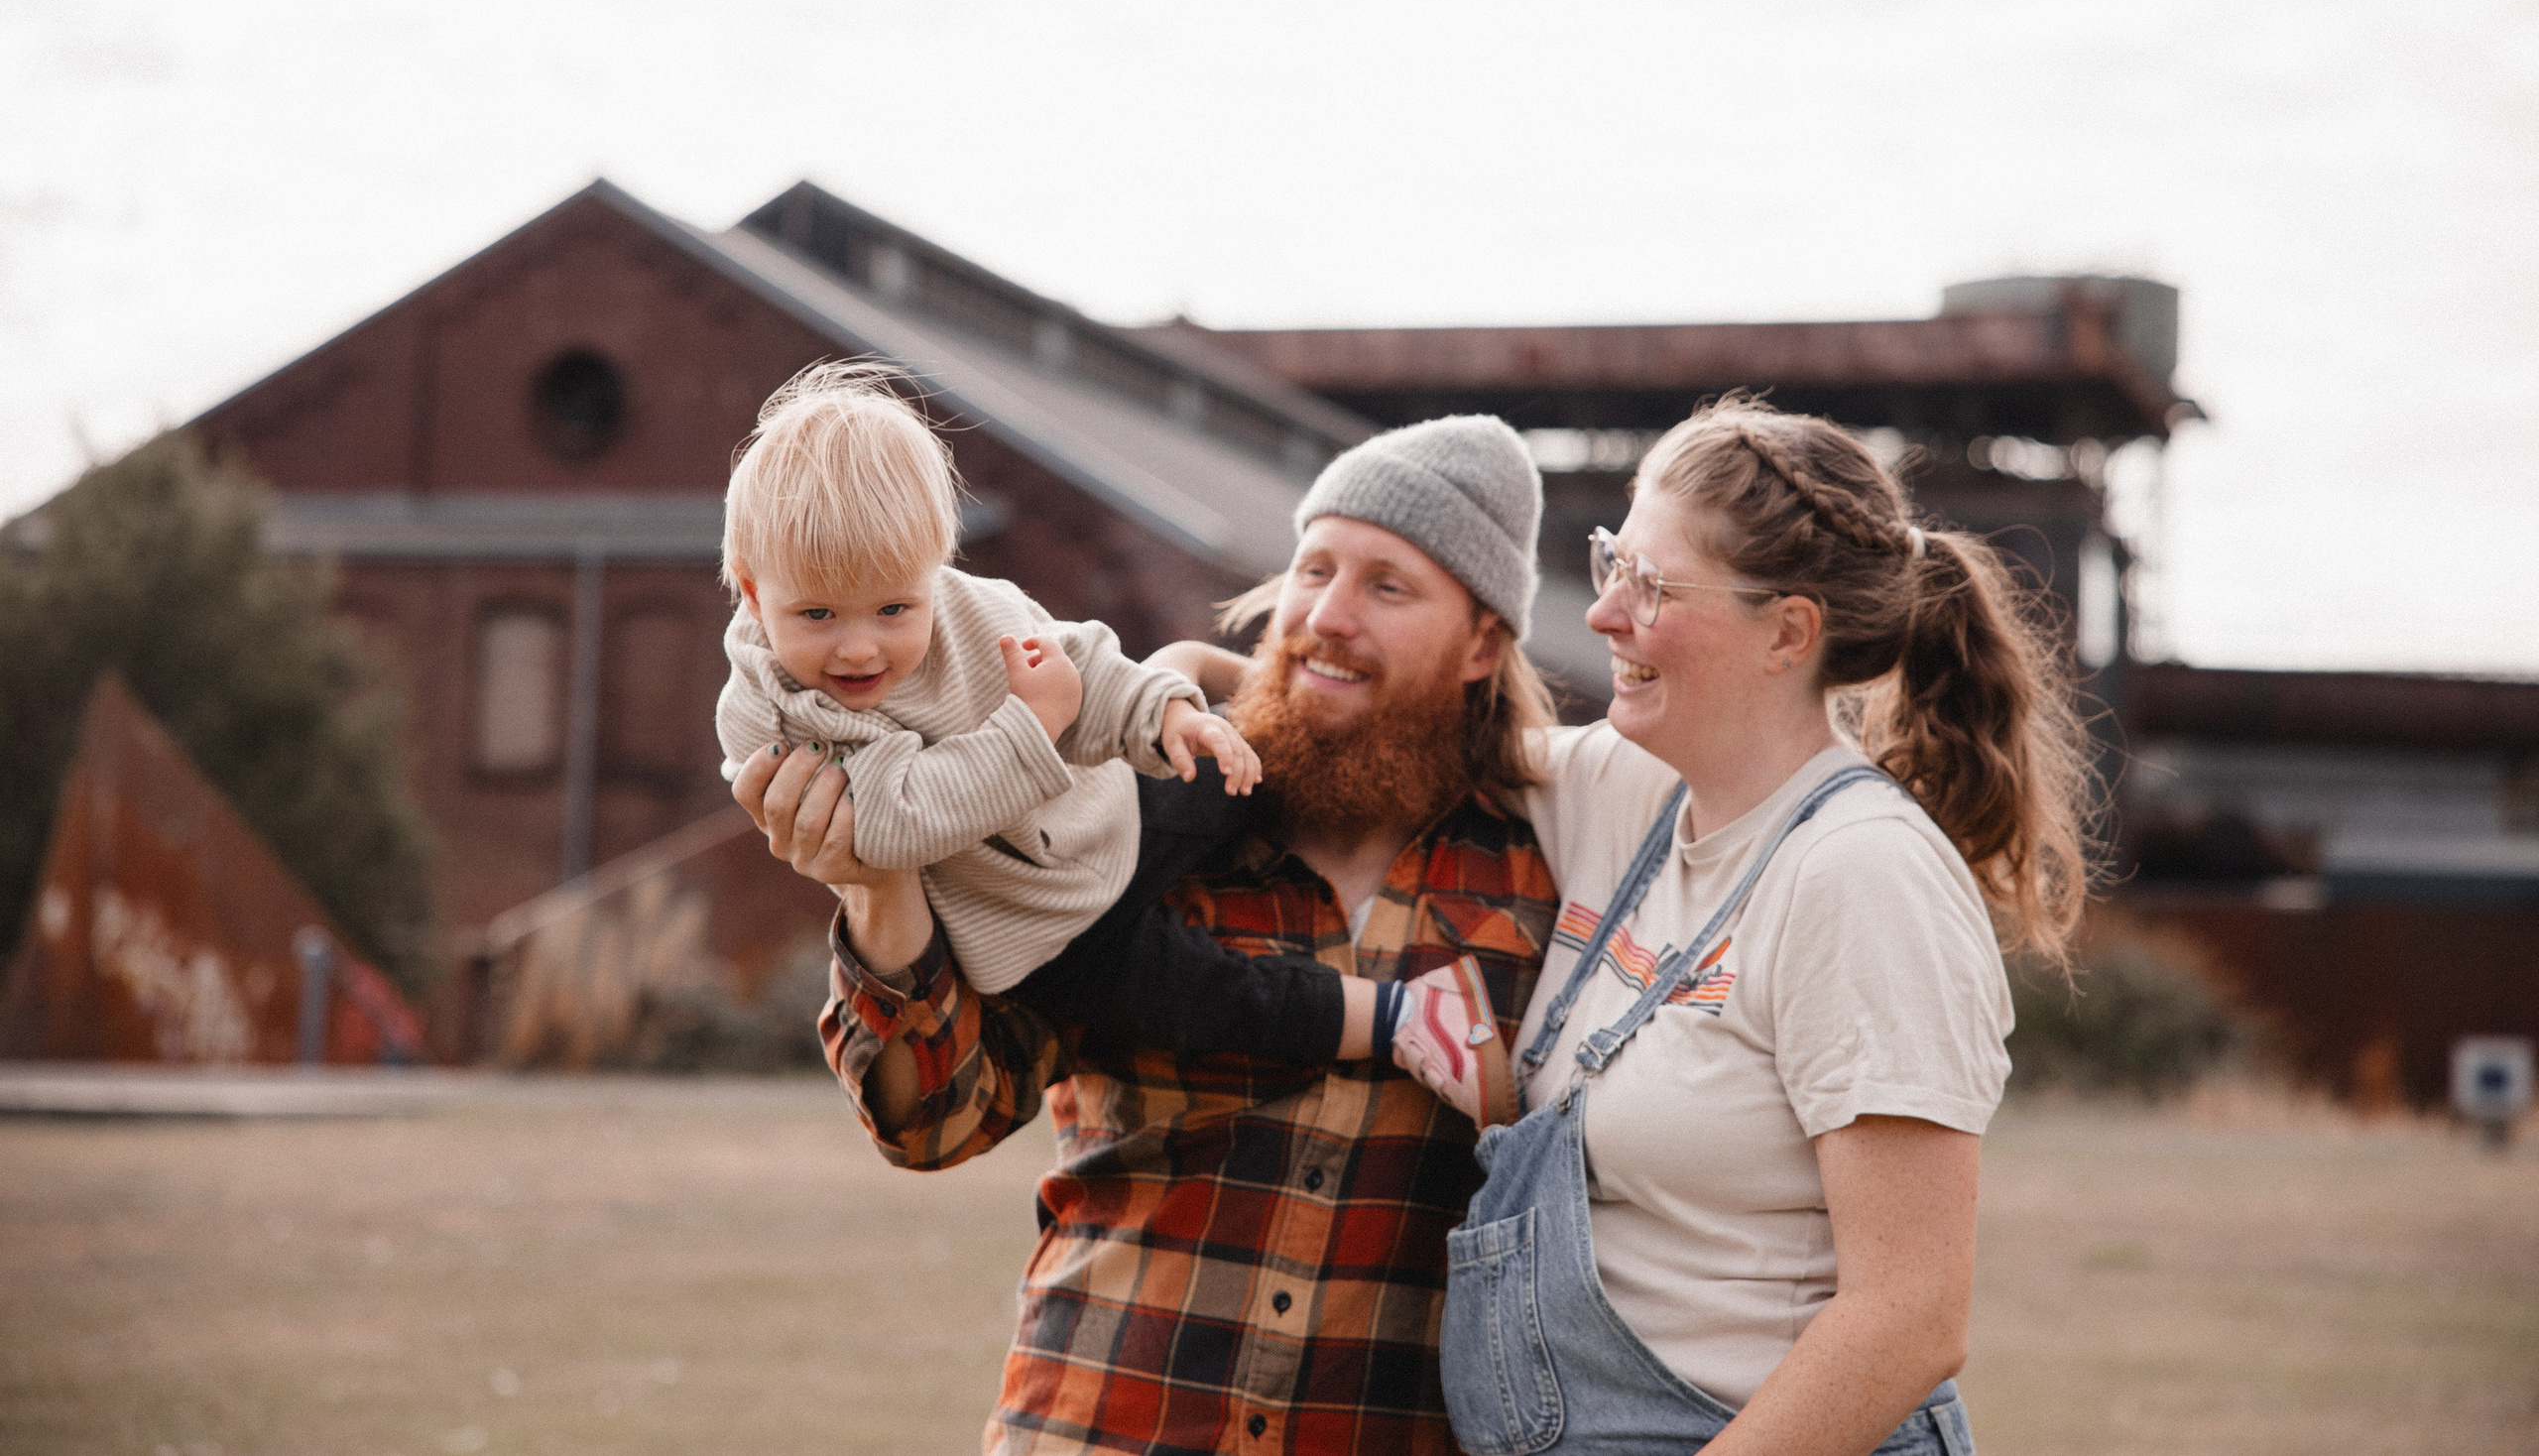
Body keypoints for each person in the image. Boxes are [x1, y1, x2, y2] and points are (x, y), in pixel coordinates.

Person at [736, 413, 1563, 1455]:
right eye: (1313, 569)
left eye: (1387, 586)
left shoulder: (1542, 876)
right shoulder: (1145, 812)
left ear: (1483, 641)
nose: (1324, 616)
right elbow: (931, 1127)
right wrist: (878, 888)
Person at [1426, 394, 2100, 1456]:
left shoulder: (1861, 877)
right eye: (1613, 562)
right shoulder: (1629, 785)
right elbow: (1406, 748)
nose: (1604, 614)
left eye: (1650, 587)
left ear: (1788, 631)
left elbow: (1909, 1318)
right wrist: (1167, 688)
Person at [717, 363, 1490, 1081]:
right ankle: (1408, 1017)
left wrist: (1159, 710)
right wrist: (1033, 720)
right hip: (1044, 934)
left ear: (935, 568)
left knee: (1235, 757)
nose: (859, 646)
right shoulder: (777, 713)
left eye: (894, 608)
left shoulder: (969, 610)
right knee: (1200, 995)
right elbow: (896, 821)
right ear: (754, 594)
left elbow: (1078, 666)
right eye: (816, 614)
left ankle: (1433, 756)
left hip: (1109, 805)